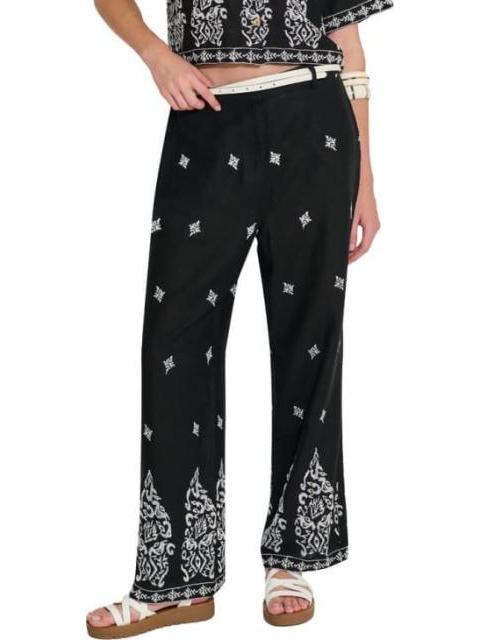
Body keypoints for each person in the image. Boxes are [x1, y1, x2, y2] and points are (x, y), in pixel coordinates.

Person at [86, 0, 393, 636]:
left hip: (313, 124)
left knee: (309, 338)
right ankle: (175, 577)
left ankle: (292, 556)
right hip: (205, 122)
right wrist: (155, 54)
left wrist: (365, 178)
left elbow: (349, 44)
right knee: (173, 343)